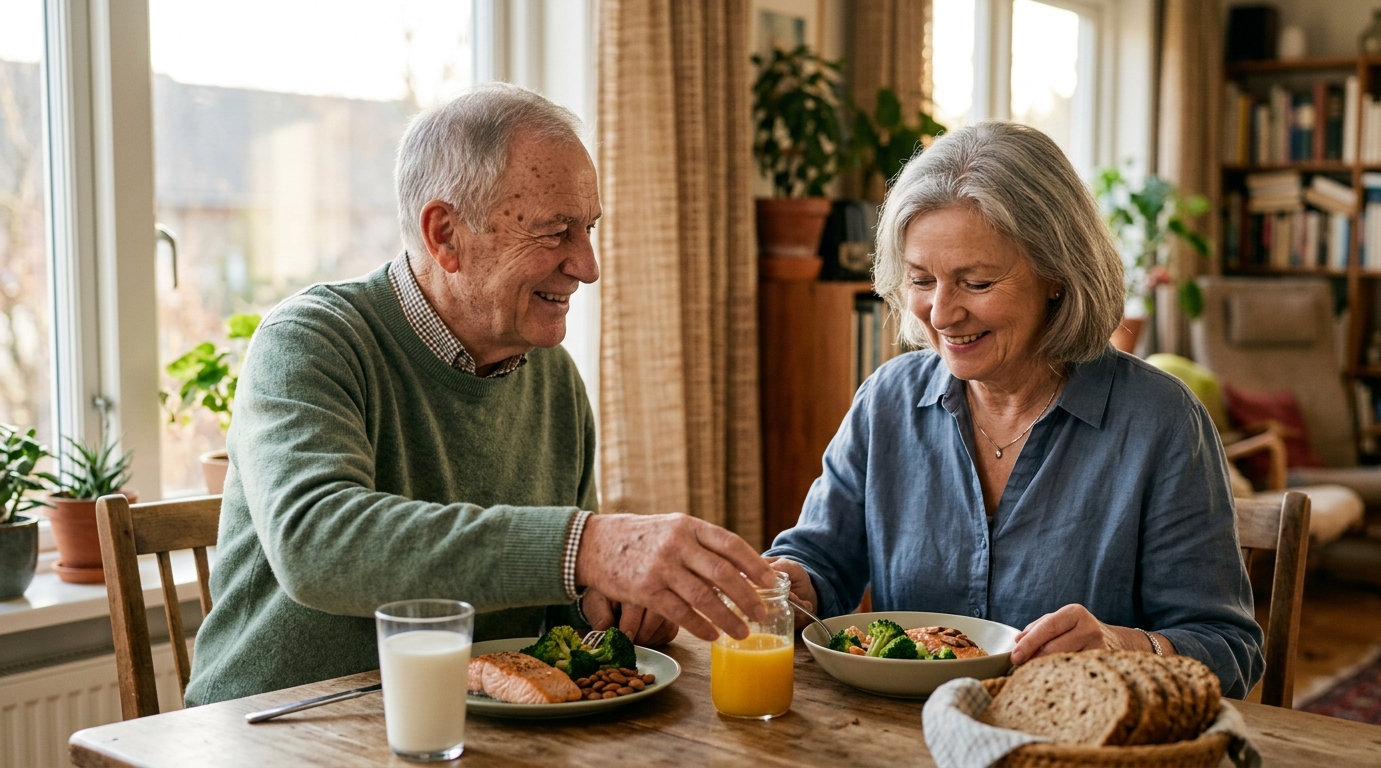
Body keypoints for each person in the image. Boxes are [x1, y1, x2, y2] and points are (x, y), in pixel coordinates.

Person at [186, 84, 774, 706]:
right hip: (276, 727)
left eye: (590, 228)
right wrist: (586, 548)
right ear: (444, 234)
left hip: (471, 726)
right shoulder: (312, 340)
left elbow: (555, 616)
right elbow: (315, 542)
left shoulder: (554, 380)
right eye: (556, 231)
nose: (588, 264)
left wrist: (607, 610)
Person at [765, 122, 1264, 697]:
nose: (942, 313)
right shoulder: (887, 402)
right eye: (922, 279)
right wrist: (788, 583)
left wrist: (1124, 646)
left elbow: (1231, 651)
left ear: (1057, 274)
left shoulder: (1160, 422)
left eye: (975, 283)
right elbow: (819, 563)